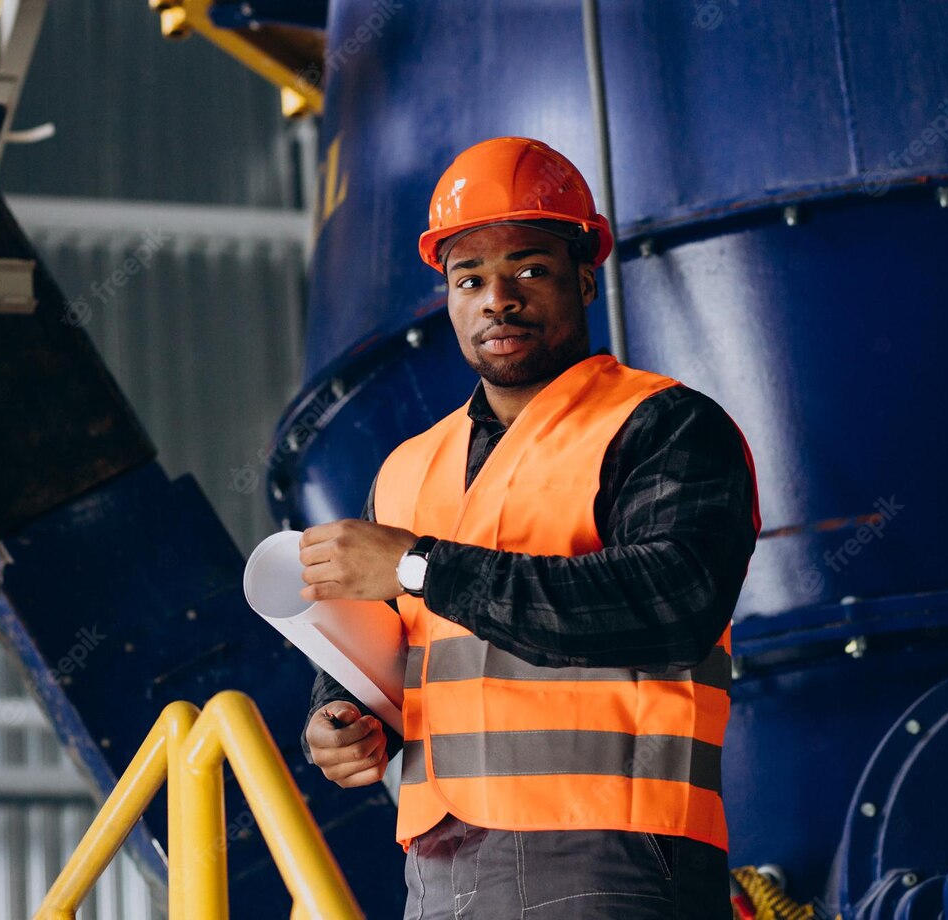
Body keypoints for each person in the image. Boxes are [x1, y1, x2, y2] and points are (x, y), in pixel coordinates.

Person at [298, 136, 760, 919]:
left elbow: (671, 601)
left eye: (529, 270)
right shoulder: (406, 468)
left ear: (585, 279)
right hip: (437, 862)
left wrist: (419, 568)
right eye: (468, 278)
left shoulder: (663, 426)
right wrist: (340, 718)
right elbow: (383, 644)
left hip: (615, 853)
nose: (496, 299)